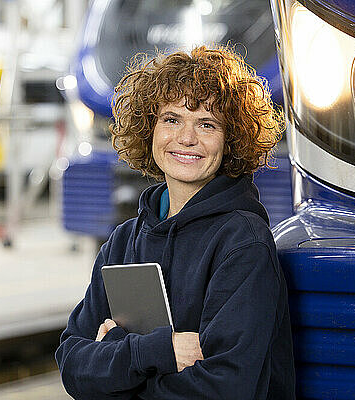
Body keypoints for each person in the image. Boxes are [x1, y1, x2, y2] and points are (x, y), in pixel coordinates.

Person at [55, 46, 295, 399]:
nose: (186, 138)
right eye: (171, 119)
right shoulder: (124, 242)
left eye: (207, 124)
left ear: (231, 141)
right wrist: (159, 352)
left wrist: (117, 367)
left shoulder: (244, 244)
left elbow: (225, 389)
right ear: (149, 128)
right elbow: (73, 365)